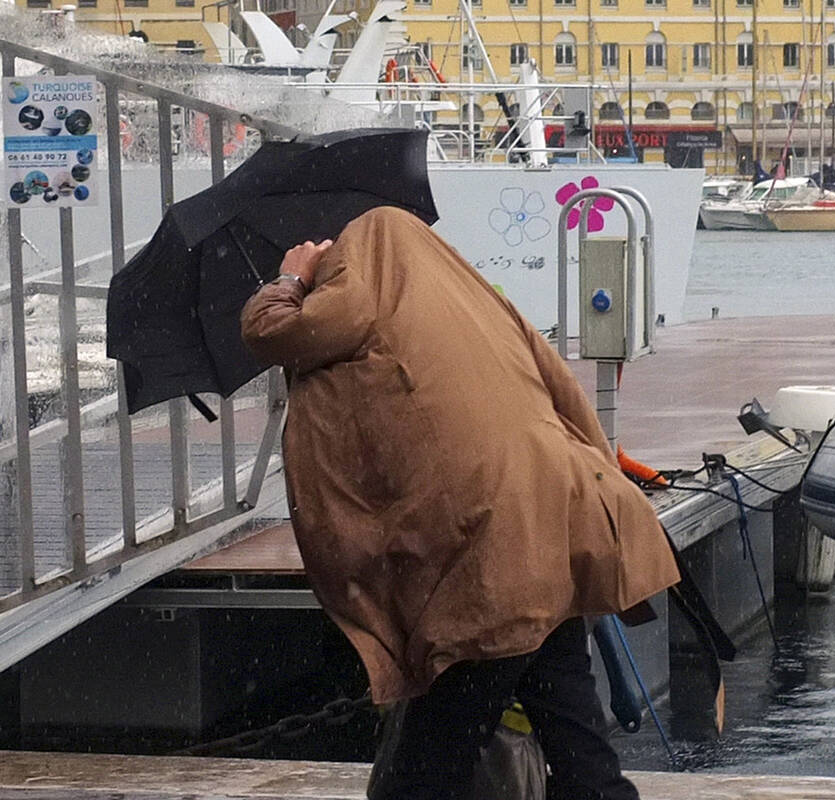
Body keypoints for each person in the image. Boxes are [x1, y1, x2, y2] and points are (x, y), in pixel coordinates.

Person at [240, 207, 681, 799]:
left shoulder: (359, 278)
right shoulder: (476, 300)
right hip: (555, 528)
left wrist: (294, 276)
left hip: (488, 557)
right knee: (581, 752)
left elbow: (273, 332)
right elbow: (566, 394)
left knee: (421, 774)